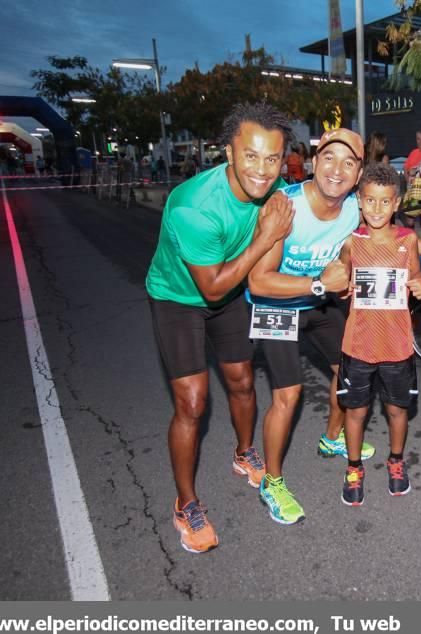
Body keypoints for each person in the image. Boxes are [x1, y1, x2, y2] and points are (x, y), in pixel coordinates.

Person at [145, 102, 295, 554]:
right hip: (180, 297)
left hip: (231, 295)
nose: (263, 170)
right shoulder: (193, 205)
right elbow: (210, 288)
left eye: (272, 159)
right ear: (228, 152)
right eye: (251, 156)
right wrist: (266, 237)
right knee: (192, 402)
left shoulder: (277, 191)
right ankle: (186, 503)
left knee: (243, 380)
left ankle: (244, 452)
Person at [247, 128, 371, 525]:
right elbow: (257, 281)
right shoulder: (285, 206)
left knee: (350, 372)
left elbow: (363, 245)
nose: (337, 169)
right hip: (276, 303)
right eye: (330, 158)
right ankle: (272, 481)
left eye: (349, 163)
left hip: (318, 303)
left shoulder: (355, 208)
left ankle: (332, 438)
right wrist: (321, 283)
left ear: (359, 173)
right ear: (314, 163)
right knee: (289, 394)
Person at [335, 162, 421, 506]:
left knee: (397, 409)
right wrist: (336, 282)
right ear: (360, 201)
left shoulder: (408, 240)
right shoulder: (351, 242)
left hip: (397, 345)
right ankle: (353, 467)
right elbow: (338, 277)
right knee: (356, 410)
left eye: (385, 201)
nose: (377, 208)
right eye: (370, 201)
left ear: (396, 203)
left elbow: (420, 276)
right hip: (358, 344)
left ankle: (395, 460)